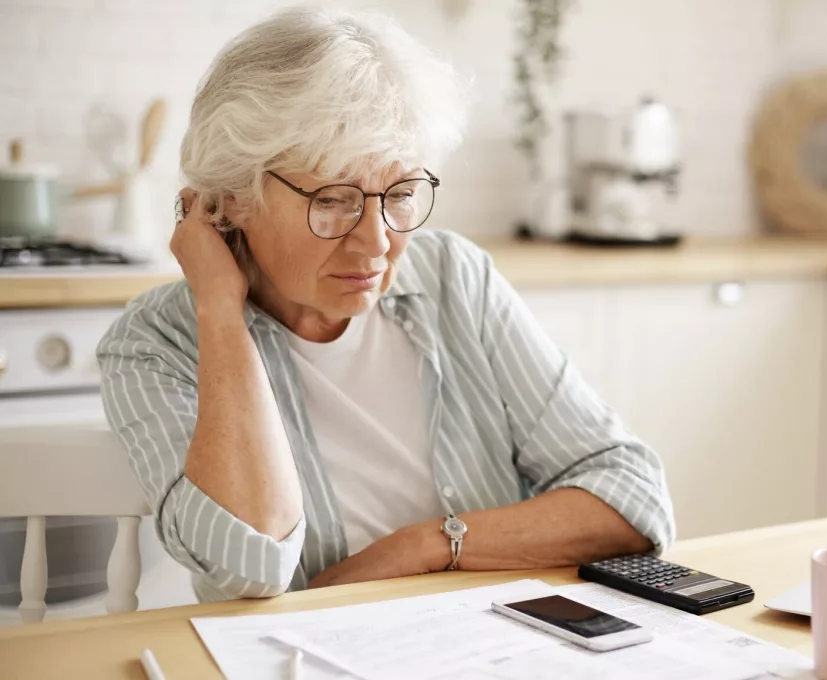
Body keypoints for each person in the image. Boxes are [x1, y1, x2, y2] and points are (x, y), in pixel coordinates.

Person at [97, 5, 675, 603]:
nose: (377, 242)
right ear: (234, 197)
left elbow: (632, 499)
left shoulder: (453, 278)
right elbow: (250, 565)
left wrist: (423, 548)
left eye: (400, 194)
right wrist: (219, 310)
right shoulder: (154, 342)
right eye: (333, 199)